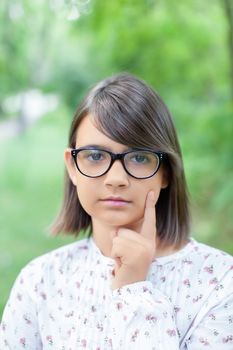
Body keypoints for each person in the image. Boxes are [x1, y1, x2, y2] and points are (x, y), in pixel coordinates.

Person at [0, 73, 233, 350]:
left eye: (138, 158)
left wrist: (133, 290)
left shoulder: (219, 284)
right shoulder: (39, 281)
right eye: (96, 156)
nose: (116, 178)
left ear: (166, 171)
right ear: (72, 167)